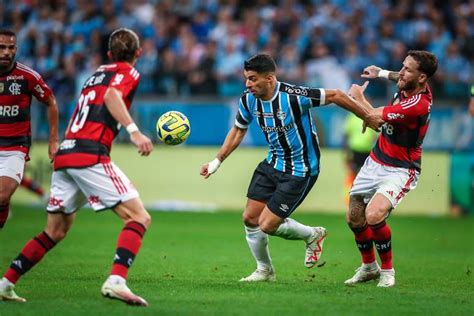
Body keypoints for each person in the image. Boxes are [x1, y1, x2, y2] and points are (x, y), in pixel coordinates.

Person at [0, 28, 153, 306]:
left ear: (108, 54)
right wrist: (134, 131)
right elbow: (111, 97)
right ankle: (116, 281)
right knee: (138, 217)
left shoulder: (94, 75)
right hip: (89, 154)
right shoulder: (129, 72)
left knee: (54, 231)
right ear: (138, 54)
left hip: (67, 153)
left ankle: (6, 282)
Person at [200, 53, 383, 282]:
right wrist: (217, 161)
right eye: (247, 78)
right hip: (272, 162)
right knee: (250, 218)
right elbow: (238, 129)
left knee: (266, 224)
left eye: (253, 79)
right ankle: (264, 271)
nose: (248, 84)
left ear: (270, 78)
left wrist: (367, 115)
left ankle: (312, 235)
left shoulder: (294, 96)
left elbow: (336, 95)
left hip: (300, 169)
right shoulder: (248, 99)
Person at [344, 50, 438, 287]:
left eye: (408, 69)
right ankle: (368, 267)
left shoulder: (417, 105)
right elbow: (399, 77)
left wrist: (354, 98)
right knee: (354, 218)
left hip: (401, 169)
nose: (402, 72)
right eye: (403, 66)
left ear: (422, 78)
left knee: (373, 214)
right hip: (376, 160)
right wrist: (381, 73)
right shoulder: (409, 82)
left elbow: (373, 118)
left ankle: (387, 272)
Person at [0, 29, 59, 228]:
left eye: (10, 47)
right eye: (1, 47)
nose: (6, 52)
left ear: (16, 49)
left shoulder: (27, 76)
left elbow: (51, 101)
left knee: (2, 195)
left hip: (15, 148)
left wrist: (53, 139)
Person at [343, 113, 377, 204]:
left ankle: (364, 201)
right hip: (355, 151)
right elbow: (346, 136)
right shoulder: (351, 117)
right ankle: (349, 200)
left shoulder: (369, 116)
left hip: (367, 152)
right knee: (354, 175)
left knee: (366, 177)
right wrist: (346, 154)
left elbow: (374, 136)